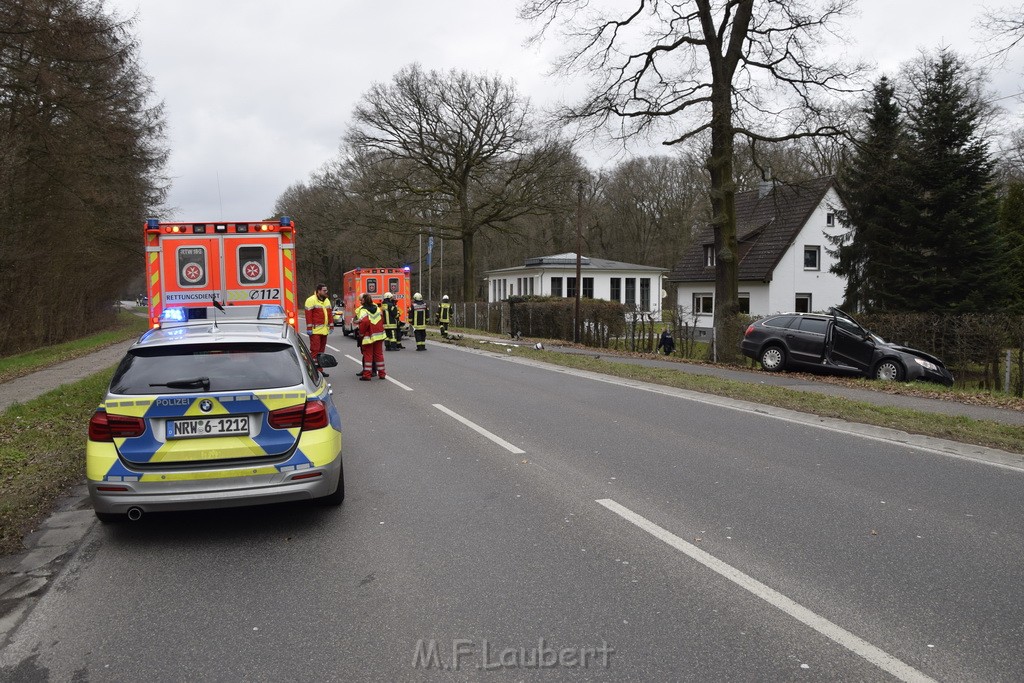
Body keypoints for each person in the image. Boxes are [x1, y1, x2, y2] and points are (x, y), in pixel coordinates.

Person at [357, 293, 386, 380]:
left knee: (368, 355)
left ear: (364, 300)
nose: (360, 301)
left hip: (368, 336)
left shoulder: (363, 310)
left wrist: (361, 334)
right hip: (379, 335)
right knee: (379, 355)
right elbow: (381, 318)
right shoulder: (377, 308)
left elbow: (364, 322)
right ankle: (382, 374)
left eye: (361, 300)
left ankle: (367, 375)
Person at [304, 283, 333, 364]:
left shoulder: (326, 300)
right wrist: (309, 328)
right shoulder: (310, 300)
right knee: (315, 350)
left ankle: (320, 370)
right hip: (315, 331)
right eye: (324, 290)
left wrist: (331, 326)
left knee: (321, 351)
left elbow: (329, 314)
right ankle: (312, 369)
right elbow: (308, 316)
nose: (326, 292)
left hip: (324, 330)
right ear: (318, 291)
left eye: (326, 290)